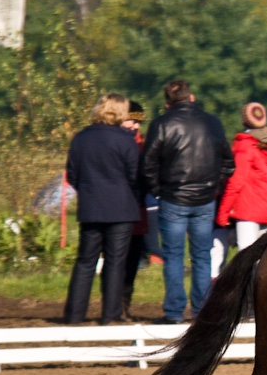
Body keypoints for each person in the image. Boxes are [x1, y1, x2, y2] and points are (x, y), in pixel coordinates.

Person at [142, 80, 234, 324]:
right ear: (191, 97)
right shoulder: (212, 122)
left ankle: (173, 312)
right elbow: (228, 163)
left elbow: (147, 165)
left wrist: (158, 191)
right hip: (205, 199)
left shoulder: (161, 124)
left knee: (173, 256)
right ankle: (201, 310)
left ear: (167, 103)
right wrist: (213, 186)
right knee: (202, 256)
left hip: (173, 198)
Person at [62, 93, 141, 325]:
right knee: (116, 261)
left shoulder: (80, 138)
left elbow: (73, 175)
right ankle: (110, 314)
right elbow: (134, 176)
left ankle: (74, 315)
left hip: (91, 206)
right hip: (122, 209)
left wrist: (89, 192)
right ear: (121, 112)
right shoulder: (126, 140)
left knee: (85, 261)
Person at [213, 102, 267, 276]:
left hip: (247, 212)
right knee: (262, 262)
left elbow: (236, 181)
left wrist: (223, 213)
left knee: (245, 261)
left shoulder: (245, 145)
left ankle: (244, 300)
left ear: (245, 120)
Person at [120, 100, 149, 319]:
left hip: (138, 211)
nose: (136, 126)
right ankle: (113, 304)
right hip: (117, 210)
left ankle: (124, 304)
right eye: (132, 120)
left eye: (139, 122)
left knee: (131, 261)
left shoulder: (142, 145)